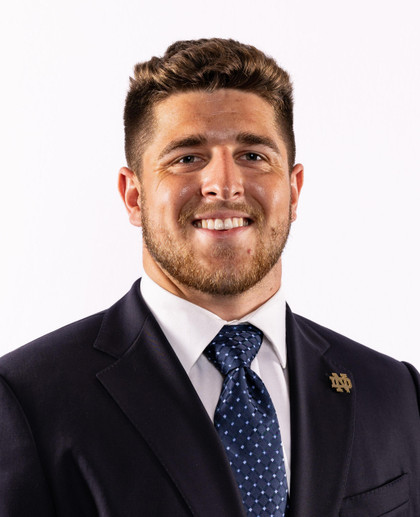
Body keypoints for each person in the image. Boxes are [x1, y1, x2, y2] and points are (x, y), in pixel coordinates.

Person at [0, 38, 419, 517]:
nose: (225, 184)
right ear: (134, 196)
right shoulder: (26, 401)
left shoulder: (394, 392)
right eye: (187, 158)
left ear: (294, 189)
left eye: (253, 155)